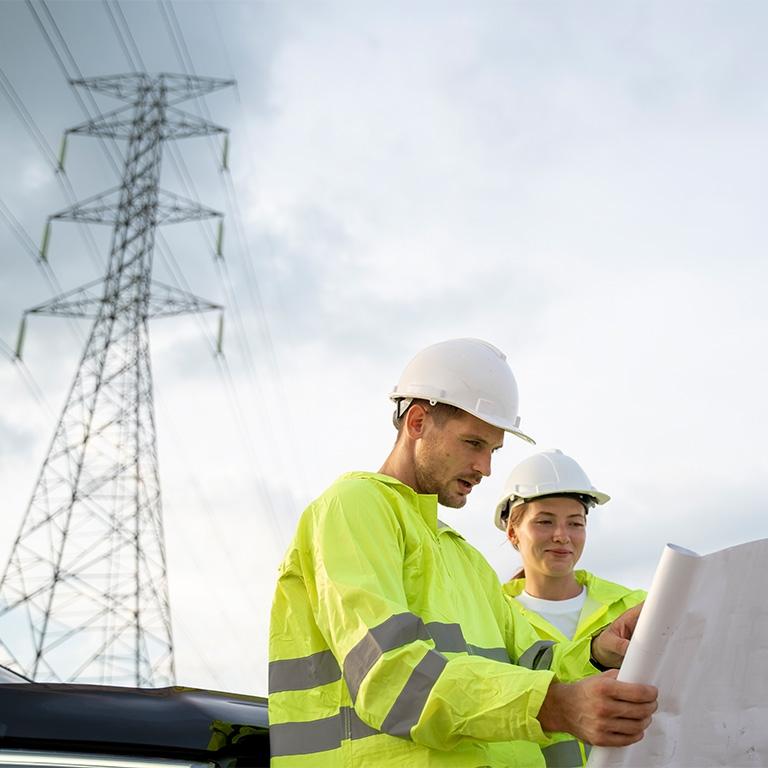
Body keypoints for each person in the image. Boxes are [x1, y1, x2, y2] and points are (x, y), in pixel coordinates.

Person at [268, 339, 656, 767]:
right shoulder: (354, 507)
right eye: (473, 443)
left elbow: (533, 659)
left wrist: (598, 651)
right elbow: (391, 677)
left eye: (492, 450)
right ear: (417, 421)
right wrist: (554, 706)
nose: (486, 468)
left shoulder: (462, 556)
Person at [494, 449, 648, 767]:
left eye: (575, 523)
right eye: (545, 522)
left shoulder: (633, 608)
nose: (562, 536)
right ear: (512, 533)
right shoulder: (492, 614)